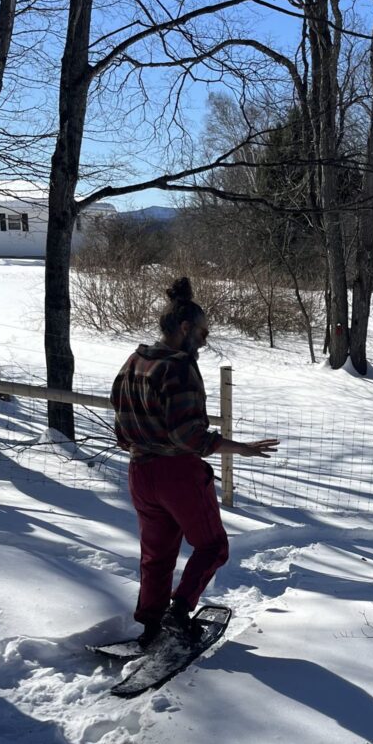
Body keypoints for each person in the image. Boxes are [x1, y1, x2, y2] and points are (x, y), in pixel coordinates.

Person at [111, 277, 279, 647]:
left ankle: (151, 623)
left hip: (140, 473)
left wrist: (143, 445)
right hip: (178, 475)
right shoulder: (179, 368)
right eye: (203, 332)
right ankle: (178, 612)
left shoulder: (134, 362)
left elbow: (120, 424)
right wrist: (242, 448)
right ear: (185, 328)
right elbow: (190, 436)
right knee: (213, 546)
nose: (205, 340)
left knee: (156, 555)